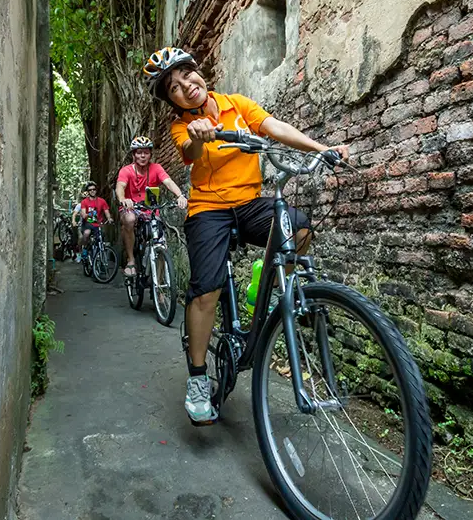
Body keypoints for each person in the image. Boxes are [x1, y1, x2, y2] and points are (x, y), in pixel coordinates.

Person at [142, 46, 349, 425]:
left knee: (299, 227)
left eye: (188, 76)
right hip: (208, 210)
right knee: (207, 288)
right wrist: (201, 135)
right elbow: (188, 151)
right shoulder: (182, 126)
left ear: (198, 72)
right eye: (174, 88)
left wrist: (324, 149)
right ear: (172, 100)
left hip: (249, 202)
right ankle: (199, 379)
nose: (186, 87)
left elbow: (275, 128)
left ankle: (266, 288)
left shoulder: (237, 104)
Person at [116, 136, 189, 276]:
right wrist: (123, 199)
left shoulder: (156, 168)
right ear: (133, 154)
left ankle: (160, 287)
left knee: (161, 245)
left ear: (150, 154)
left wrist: (180, 195)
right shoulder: (126, 171)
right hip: (132, 208)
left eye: (146, 152)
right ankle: (131, 260)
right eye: (139, 152)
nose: (142, 155)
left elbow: (168, 182)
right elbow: (120, 186)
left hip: (150, 210)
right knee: (129, 219)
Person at [78, 181, 113, 255]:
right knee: (87, 233)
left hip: (98, 224)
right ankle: (85, 248)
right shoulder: (84, 202)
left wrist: (109, 218)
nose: (92, 191)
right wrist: (88, 214)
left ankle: (98, 255)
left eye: (94, 189)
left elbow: (107, 212)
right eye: (90, 190)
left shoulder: (102, 201)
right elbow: (84, 214)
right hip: (88, 223)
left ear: (96, 190)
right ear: (88, 192)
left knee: (100, 238)